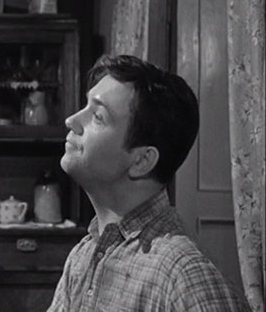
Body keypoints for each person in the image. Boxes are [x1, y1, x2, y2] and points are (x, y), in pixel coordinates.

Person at [47, 55, 250, 311]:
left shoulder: (186, 274)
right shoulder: (83, 256)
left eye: (98, 116)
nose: (71, 120)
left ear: (142, 161)